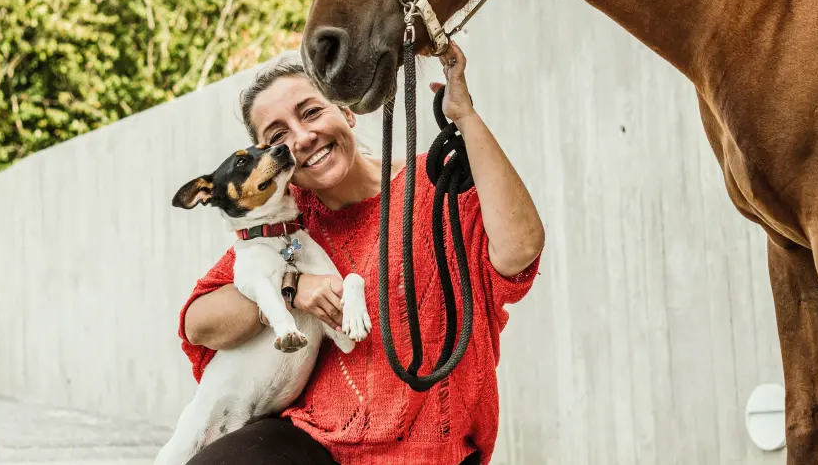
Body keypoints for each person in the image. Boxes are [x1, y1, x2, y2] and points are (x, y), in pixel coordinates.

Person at [178, 42, 545, 465]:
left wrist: (465, 117)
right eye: (277, 136)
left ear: (347, 113)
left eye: (311, 112)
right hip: (311, 442)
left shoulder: (432, 185)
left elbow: (519, 250)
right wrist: (289, 287)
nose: (301, 138)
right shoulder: (284, 223)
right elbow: (197, 323)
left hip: (432, 449)